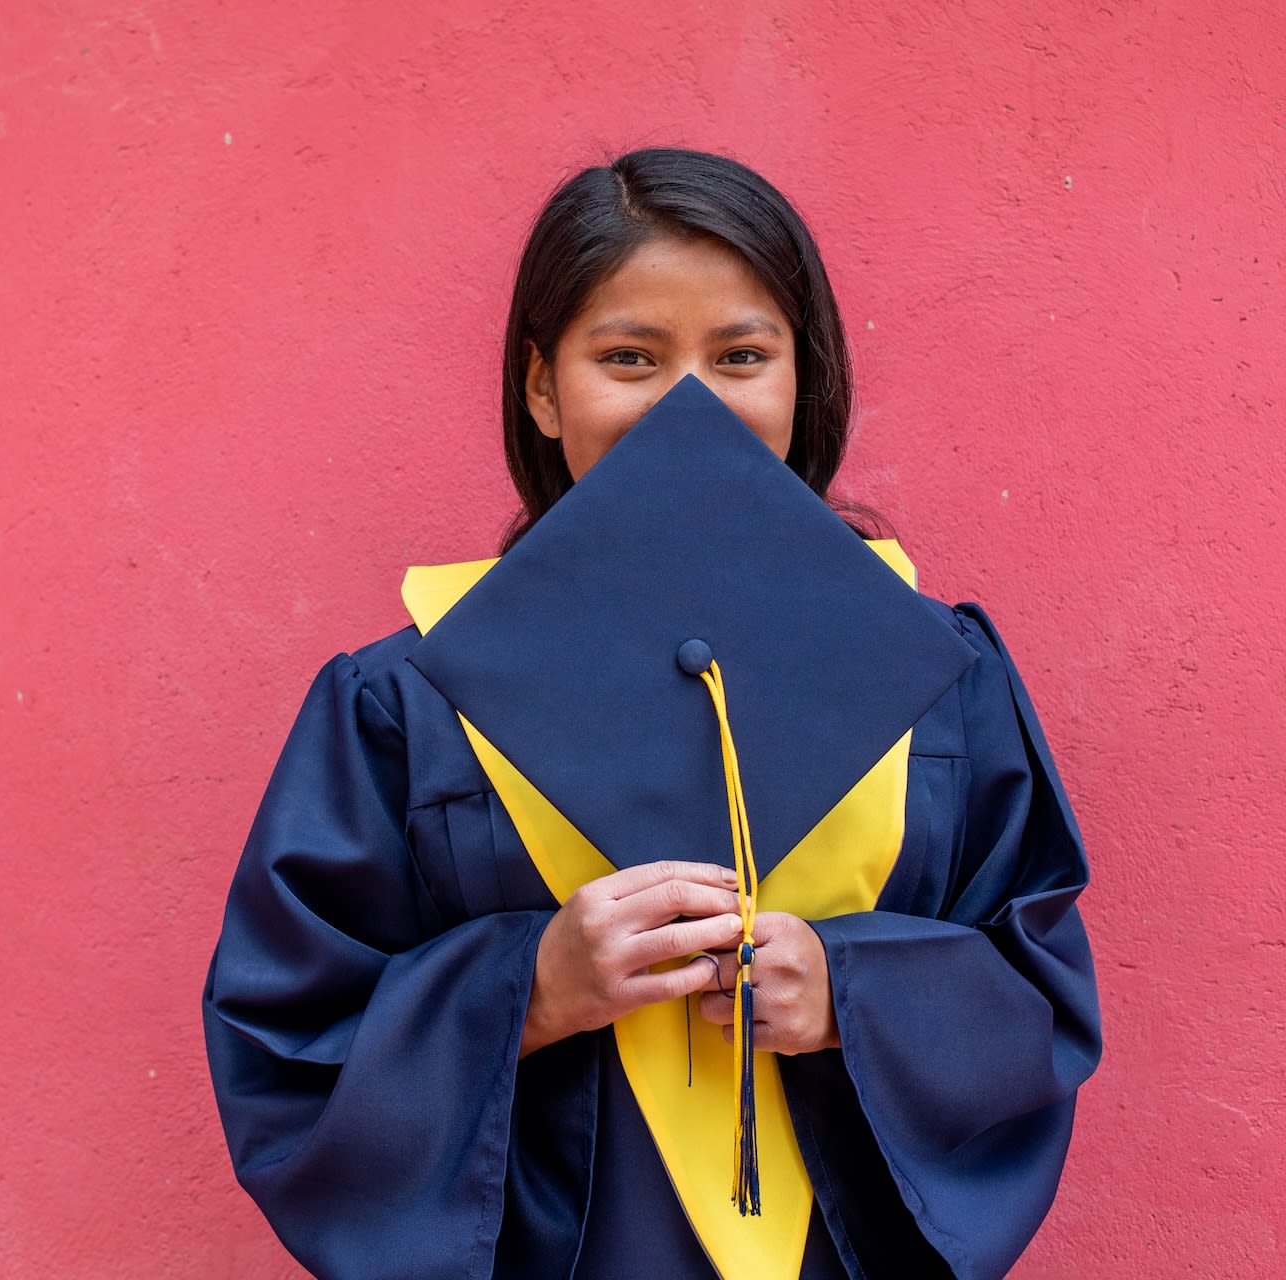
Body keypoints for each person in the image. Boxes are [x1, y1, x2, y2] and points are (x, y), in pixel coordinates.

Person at [202, 147, 1101, 1280]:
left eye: (741, 355)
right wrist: (526, 989)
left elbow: (1037, 1004)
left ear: (801, 378)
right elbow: (286, 1043)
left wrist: (856, 995)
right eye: (629, 356)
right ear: (543, 386)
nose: (690, 404)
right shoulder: (408, 699)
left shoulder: (939, 674)